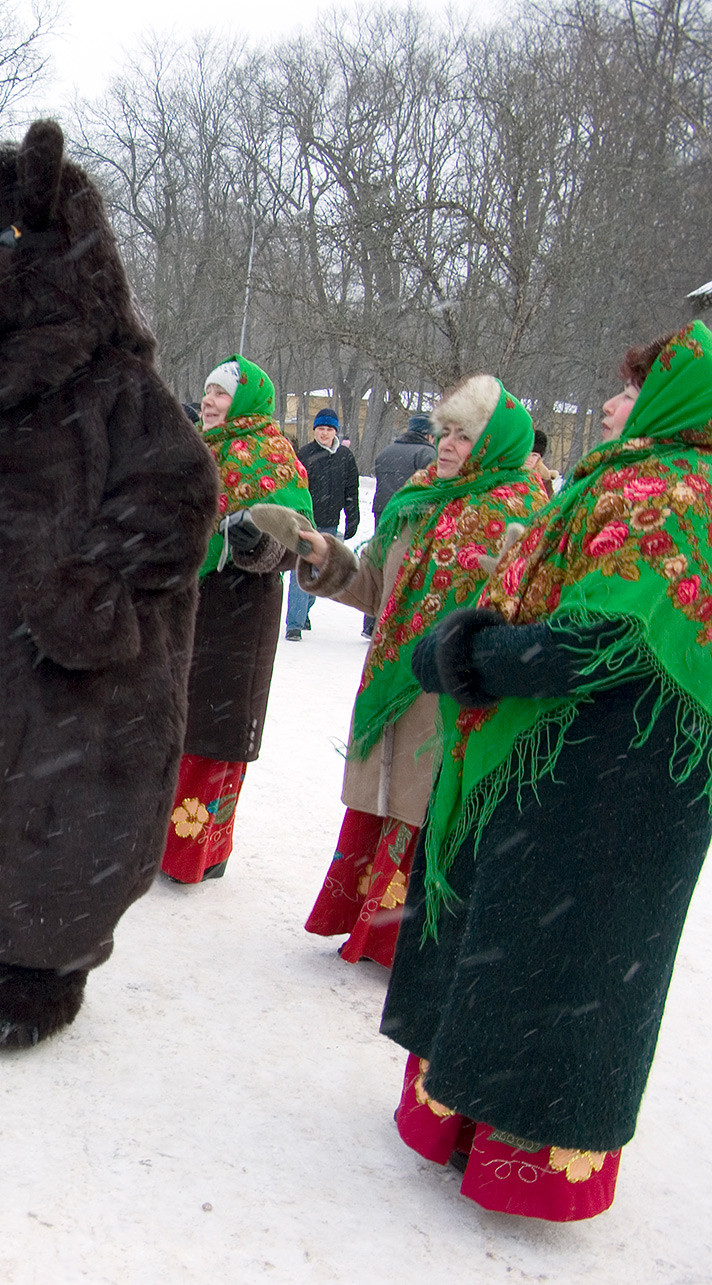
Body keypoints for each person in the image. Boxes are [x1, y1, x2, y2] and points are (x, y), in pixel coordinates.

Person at [375, 321, 712, 1221]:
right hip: (579, 767)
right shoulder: (639, 483)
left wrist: (473, 655)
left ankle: (515, 1149)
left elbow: (609, 634)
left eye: (631, 391)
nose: (607, 405)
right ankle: (478, 1128)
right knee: (536, 948)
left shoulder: (672, 492)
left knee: (561, 957)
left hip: (607, 777)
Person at [290, 376, 538, 966]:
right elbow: (376, 582)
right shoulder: (418, 500)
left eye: (464, 436)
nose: (446, 445)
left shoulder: (524, 514)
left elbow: (531, 616)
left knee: (426, 807)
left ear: (497, 442)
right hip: (392, 679)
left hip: (453, 698)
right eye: (444, 432)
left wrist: (512, 579)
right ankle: (364, 926)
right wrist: (327, 558)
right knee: (386, 798)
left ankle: (405, 944)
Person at [161, 356, 312, 883]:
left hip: (235, 617)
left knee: (212, 735)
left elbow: (299, 544)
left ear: (247, 402)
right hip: (180, 608)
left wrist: (259, 545)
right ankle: (157, 841)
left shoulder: (273, 457)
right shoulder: (193, 448)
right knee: (169, 727)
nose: (209, 400)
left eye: (221, 394)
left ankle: (197, 853)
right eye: (207, 390)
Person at [285, 408, 360, 640]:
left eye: (329, 429)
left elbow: (351, 490)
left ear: (335, 432)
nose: (324, 433)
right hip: (306, 522)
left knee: (319, 574)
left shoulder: (345, 457)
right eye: (320, 429)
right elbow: (294, 487)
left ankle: (304, 610)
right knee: (301, 571)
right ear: (314, 430)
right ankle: (294, 624)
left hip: (329, 522)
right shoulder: (305, 454)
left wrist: (352, 517)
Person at [373, 413, 437, 523]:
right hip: (412, 512)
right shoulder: (428, 453)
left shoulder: (385, 452)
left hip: (383, 510)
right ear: (429, 435)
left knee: (383, 540)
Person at [524, 427, 560, 501]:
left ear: (539, 459)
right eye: (527, 454)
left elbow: (550, 507)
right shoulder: (509, 474)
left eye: (534, 455)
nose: (529, 459)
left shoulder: (545, 481)